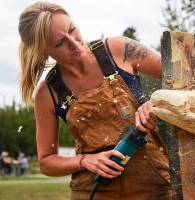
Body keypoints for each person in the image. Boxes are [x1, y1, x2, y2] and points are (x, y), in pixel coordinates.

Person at [18, 2, 172, 200]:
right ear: (42, 52)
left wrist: (158, 102)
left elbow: (182, 79)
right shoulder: (48, 92)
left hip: (155, 186)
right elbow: (47, 162)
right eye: (59, 43)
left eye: (72, 30)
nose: (74, 43)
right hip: (93, 191)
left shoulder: (119, 50)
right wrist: (85, 161)